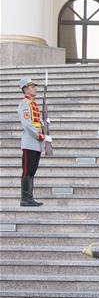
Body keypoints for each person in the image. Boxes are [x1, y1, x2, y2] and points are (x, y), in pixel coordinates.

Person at [17, 77, 49, 207]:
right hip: (30, 141)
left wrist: (45, 123)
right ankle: (25, 198)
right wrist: (39, 135)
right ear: (25, 88)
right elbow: (27, 124)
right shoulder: (25, 103)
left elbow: (36, 121)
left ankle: (30, 197)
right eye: (32, 86)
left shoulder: (33, 103)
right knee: (27, 171)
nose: (34, 88)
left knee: (32, 170)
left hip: (36, 143)